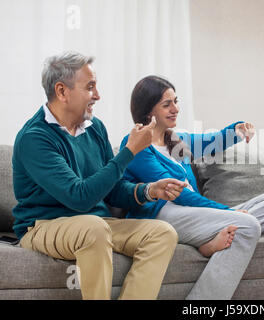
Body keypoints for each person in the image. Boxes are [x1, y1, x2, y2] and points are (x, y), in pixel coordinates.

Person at [12, 52, 188, 300]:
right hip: (43, 226)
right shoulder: (35, 138)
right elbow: (80, 197)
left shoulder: (95, 129)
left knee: (162, 233)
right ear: (62, 91)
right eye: (90, 87)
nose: (98, 95)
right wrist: (128, 152)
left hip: (95, 224)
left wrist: (149, 190)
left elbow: (112, 189)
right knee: (93, 228)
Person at [119, 75, 264, 299]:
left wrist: (237, 129)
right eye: (167, 104)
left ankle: (208, 242)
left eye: (176, 101)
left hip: (192, 214)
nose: (175, 109)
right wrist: (227, 212)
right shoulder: (136, 143)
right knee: (247, 225)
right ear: (148, 111)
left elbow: (214, 141)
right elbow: (179, 195)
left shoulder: (176, 139)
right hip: (162, 214)